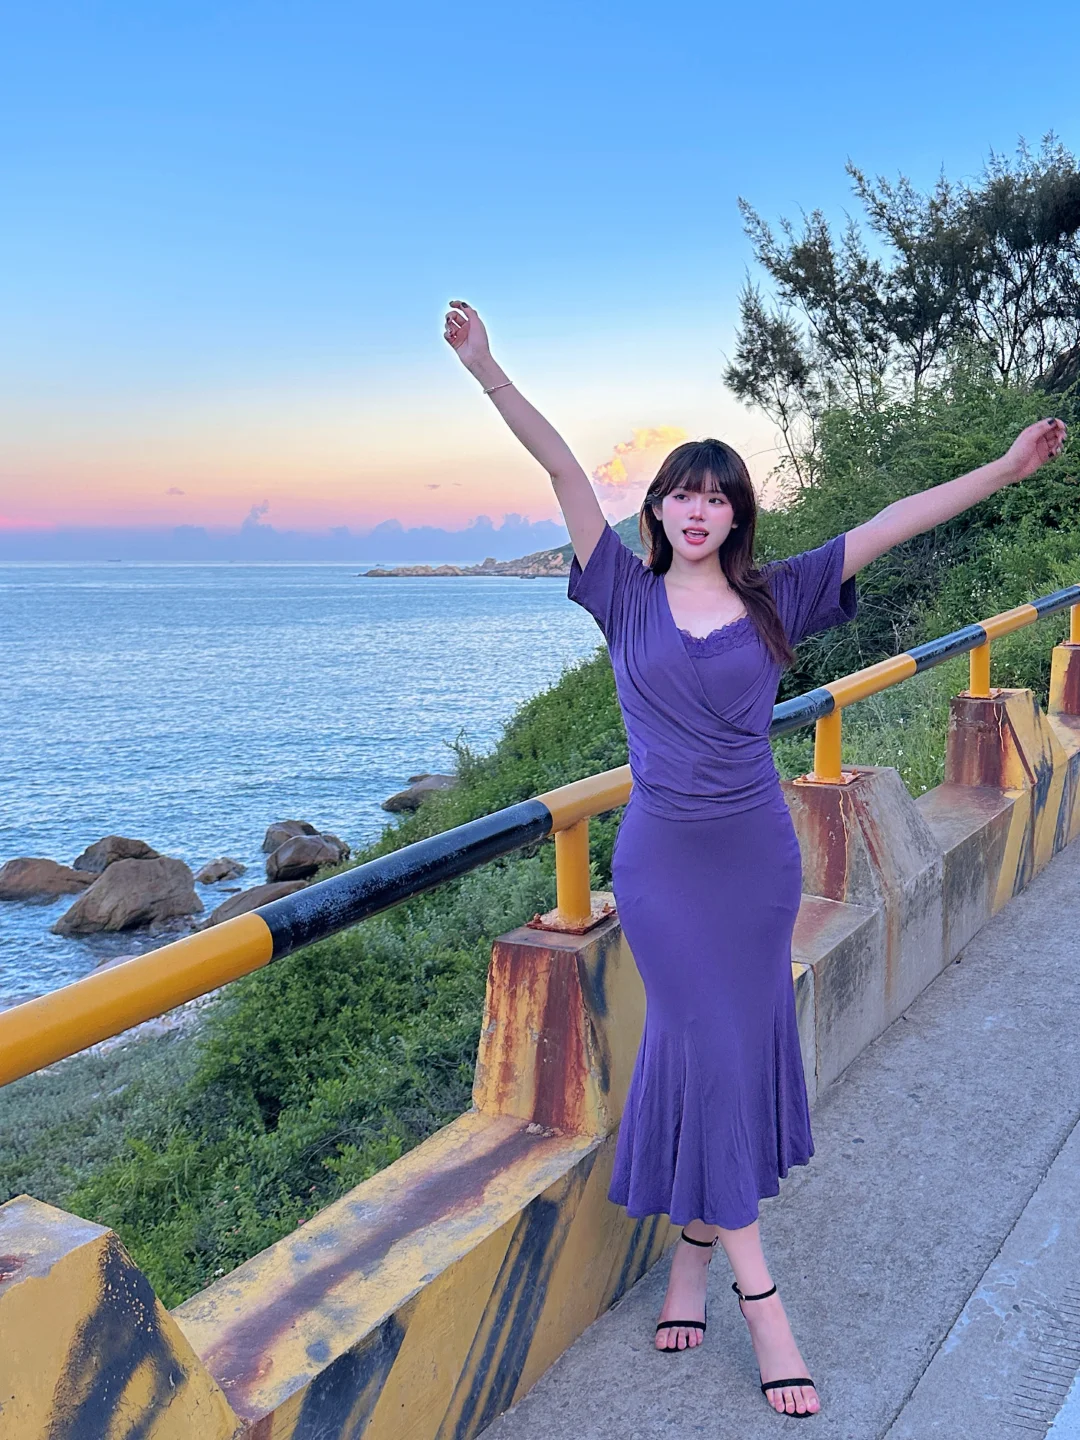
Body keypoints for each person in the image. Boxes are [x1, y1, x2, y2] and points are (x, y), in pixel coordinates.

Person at [443, 298, 1067, 1419]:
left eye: (717, 495)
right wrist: (488, 370)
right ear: (657, 507)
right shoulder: (620, 590)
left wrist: (1005, 469)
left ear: (736, 513)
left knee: (720, 1054)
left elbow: (892, 522)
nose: (698, 509)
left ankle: (692, 1258)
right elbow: (561, 467)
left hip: (755, 860)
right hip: (663, 868)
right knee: (702, 1043)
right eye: (682, 493)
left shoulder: (775, 596)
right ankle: (762, 1298)